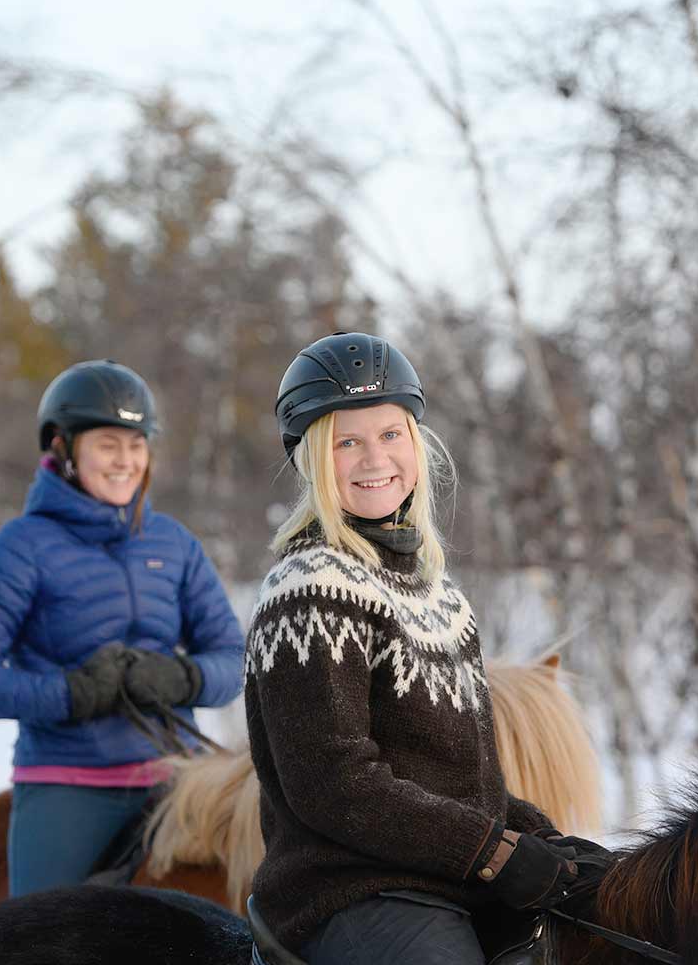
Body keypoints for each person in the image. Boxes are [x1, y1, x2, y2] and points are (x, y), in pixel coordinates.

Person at [244, 332, 604, 965]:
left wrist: (551, 845)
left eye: (389, 435)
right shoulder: (310, 587)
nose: (372, 458)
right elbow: (335, 785)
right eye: (345, 442)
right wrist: (492, 851)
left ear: (416, 442)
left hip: (453, 878)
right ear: (311, 460)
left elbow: (472, 785)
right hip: (351, 889)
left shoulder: (441, 598)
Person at [0, 359, 244, 898]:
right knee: (47, 937)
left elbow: (231, 658)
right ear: (61, 447)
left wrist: (182, 678)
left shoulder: (174, 545)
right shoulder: (18, 549)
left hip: (183, 783)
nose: (125, 461)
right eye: (108, 444)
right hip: (71, 783)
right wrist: (72, 693)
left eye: (137, 444)